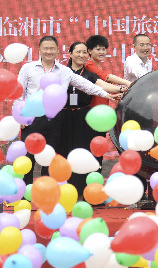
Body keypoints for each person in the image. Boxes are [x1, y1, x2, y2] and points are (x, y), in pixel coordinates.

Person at [17, 36, 119, 185]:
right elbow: (19, 92)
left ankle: (47, 192)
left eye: (52, 48)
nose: (49, 51)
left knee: (50, 159)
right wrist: (20, 117)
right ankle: (24, 194)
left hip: (55, 119)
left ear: (58, 50)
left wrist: (106, 94)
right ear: (39, 49)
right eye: (45, 48)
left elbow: (86, 85)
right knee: (28, 157)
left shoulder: (64, 71)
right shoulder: (28, 68)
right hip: (31, 118)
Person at [57, 41, 124, 196]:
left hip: (84, 116)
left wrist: (122, 89)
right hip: (63, 117)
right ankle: (65, 191)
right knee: (65, 152)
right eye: (77, 52)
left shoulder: (89, 74)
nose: (81, 55)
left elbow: (103, 86)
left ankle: (84, 192)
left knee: (84, 152)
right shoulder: (62, 72)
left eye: (84, 53)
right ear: (70, 54)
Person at [84, 34, 131, 107]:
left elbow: (109, 87)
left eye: (104, 49)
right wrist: (128, 83)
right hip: (92, 109)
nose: (102, 52)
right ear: (89, 51)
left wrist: (123, 90)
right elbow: (107, 77)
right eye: (98, 49)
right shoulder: (89, 66)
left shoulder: (100, 68)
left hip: (103, 108)